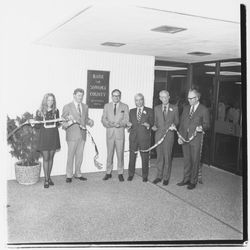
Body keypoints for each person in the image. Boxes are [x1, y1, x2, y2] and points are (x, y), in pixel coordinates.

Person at [177, 88, 210, 190]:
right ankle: (186, 179)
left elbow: (207, 124)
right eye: (188, 98)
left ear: (197, 98)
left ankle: (193, 181)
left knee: (195, 160)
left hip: (196, 139)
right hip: (185, 138)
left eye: (191, 98)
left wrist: (202, 127)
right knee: (187, 160)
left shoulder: (204, 109)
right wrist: (180, 136)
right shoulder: (186, 108)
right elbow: (182, 123)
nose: (189, 100)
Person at [62, 88, 94, 183]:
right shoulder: (67, 106)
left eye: (82, 95)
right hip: (72, 135)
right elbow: (63, 121)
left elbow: (85, 118)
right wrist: (68, 122)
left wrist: (90, 121)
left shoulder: (85, 106)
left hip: (82, 134)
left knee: (80, 156)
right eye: (79, 95)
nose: (80, 97)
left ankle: (78, 173)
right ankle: (69, 175)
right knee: (71, 155)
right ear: (74, 95)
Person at [152, 90, 179, 185]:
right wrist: (154, 127)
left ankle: (166, 177)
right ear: (160, 98)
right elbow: (155, 122)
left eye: (166, 97)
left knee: (167, 157)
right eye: (162, 97)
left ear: (169, 97)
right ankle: (159, 176)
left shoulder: (174, 108)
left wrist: (174, 125)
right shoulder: (156, 108)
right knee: (159, 157)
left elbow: (177, 121)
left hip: (169, 136)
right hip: (158, 136)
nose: (164, 99)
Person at [101, 89, 129, 181]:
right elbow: (103, 119)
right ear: (111, 96)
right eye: (114, 95)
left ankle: (120, 173)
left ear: (120, 96)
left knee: (120, 154)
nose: (116, 97)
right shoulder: (106, 106)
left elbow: (126, 120)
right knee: (109, 154)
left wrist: (120, 124)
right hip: (110, 133)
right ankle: (108, 172)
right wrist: (109, 124)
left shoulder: (125, 106)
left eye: (118, 96)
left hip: (119, 133)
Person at [34, 93, 61, 188]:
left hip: (54, 136)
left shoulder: (56, 111)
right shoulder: (39, 111)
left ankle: (48, 177)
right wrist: (34, 122)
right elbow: (37, 126)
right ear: (45, 100)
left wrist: (63, 120)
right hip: (44, 137)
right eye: (48, 100)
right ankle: (46, 179)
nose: (50, 102)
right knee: (46, 158)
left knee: (51, 158)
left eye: (52, 100)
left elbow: (57, 124)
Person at [127, 93, 154, 182]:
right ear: (135, 101)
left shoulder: (149, 111)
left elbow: (152, 124)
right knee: (132, 157)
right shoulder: (131, 111)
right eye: (136, 100)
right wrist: (128, 125)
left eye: (140, 99)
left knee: (145, 157)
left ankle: (145, 176)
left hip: (144, 138)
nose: (138, 102)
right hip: (133, 138)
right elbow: (129, 124)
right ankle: (130, 174)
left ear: (143, 100)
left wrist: (148, 125)